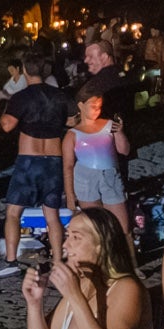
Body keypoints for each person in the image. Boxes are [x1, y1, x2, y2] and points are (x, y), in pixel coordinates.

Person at [21, 204, 151, 329]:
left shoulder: (127, 288)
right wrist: (34, 304)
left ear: (102, 245)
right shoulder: (82, 285)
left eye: (76, 237)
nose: (65, 245)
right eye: (67, 236)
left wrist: (74, 296)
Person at [0, 63, 68, 261]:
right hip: (54, 160)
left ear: (25, 71)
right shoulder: (59, 95)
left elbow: (7, 126)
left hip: (29, 160)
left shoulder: (22, 96)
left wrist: (3, 111)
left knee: (13, 213)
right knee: (52, 216)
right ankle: (57, 260)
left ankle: (11, 259)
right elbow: (72, 120)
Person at [62, 86, 131, 231]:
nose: (97, 110)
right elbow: (67, 165)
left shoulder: (109, 125)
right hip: (85, 179)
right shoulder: (72, 134)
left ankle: (124, 251)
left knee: (122, 227)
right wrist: (70, 195)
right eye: (93, 106)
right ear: (81, 105)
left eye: (99, 106)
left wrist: (119, 133)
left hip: (110, 177)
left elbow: (124, 150)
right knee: (96, 227)